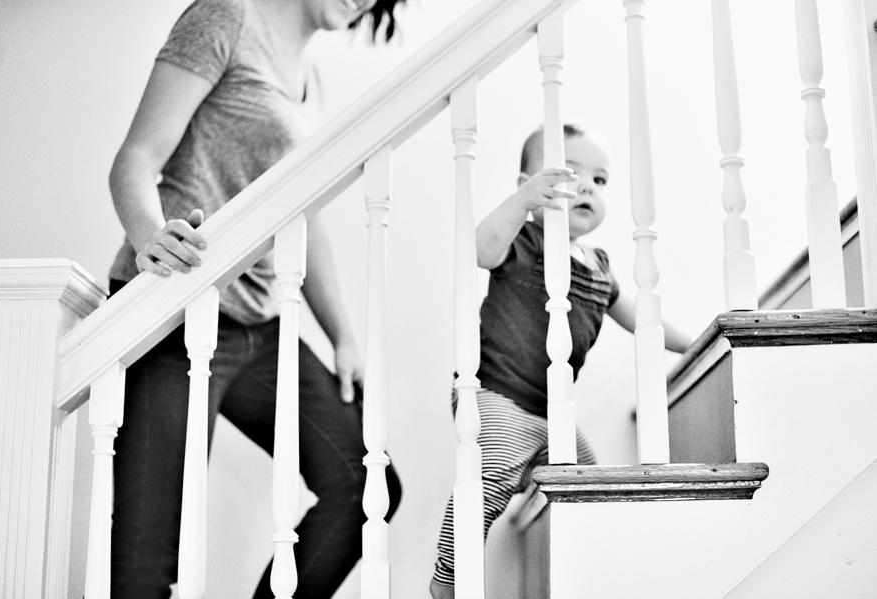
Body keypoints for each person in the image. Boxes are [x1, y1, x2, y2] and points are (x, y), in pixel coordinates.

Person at [106, 1, 405, 597]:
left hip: (259, 328)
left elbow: (304, 221)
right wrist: (148, 238)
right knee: (147, 562)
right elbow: (135, 158)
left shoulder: (309, 81)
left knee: (364, 484)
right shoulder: (226, 16)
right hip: (174, 313)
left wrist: (342, 334)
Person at [429, 123, 693, 598]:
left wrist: (693, 345)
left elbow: (642, 321)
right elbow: (480, 248)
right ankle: (448, 579)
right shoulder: (525, 241)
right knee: (485, 483)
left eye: (601, 179)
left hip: (552, 413)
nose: (588, 186)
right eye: (571, 173)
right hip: (499, 396)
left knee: (587, 484)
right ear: (530, 185)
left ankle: (574, 558)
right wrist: (524, 202)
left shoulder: (599, 265)